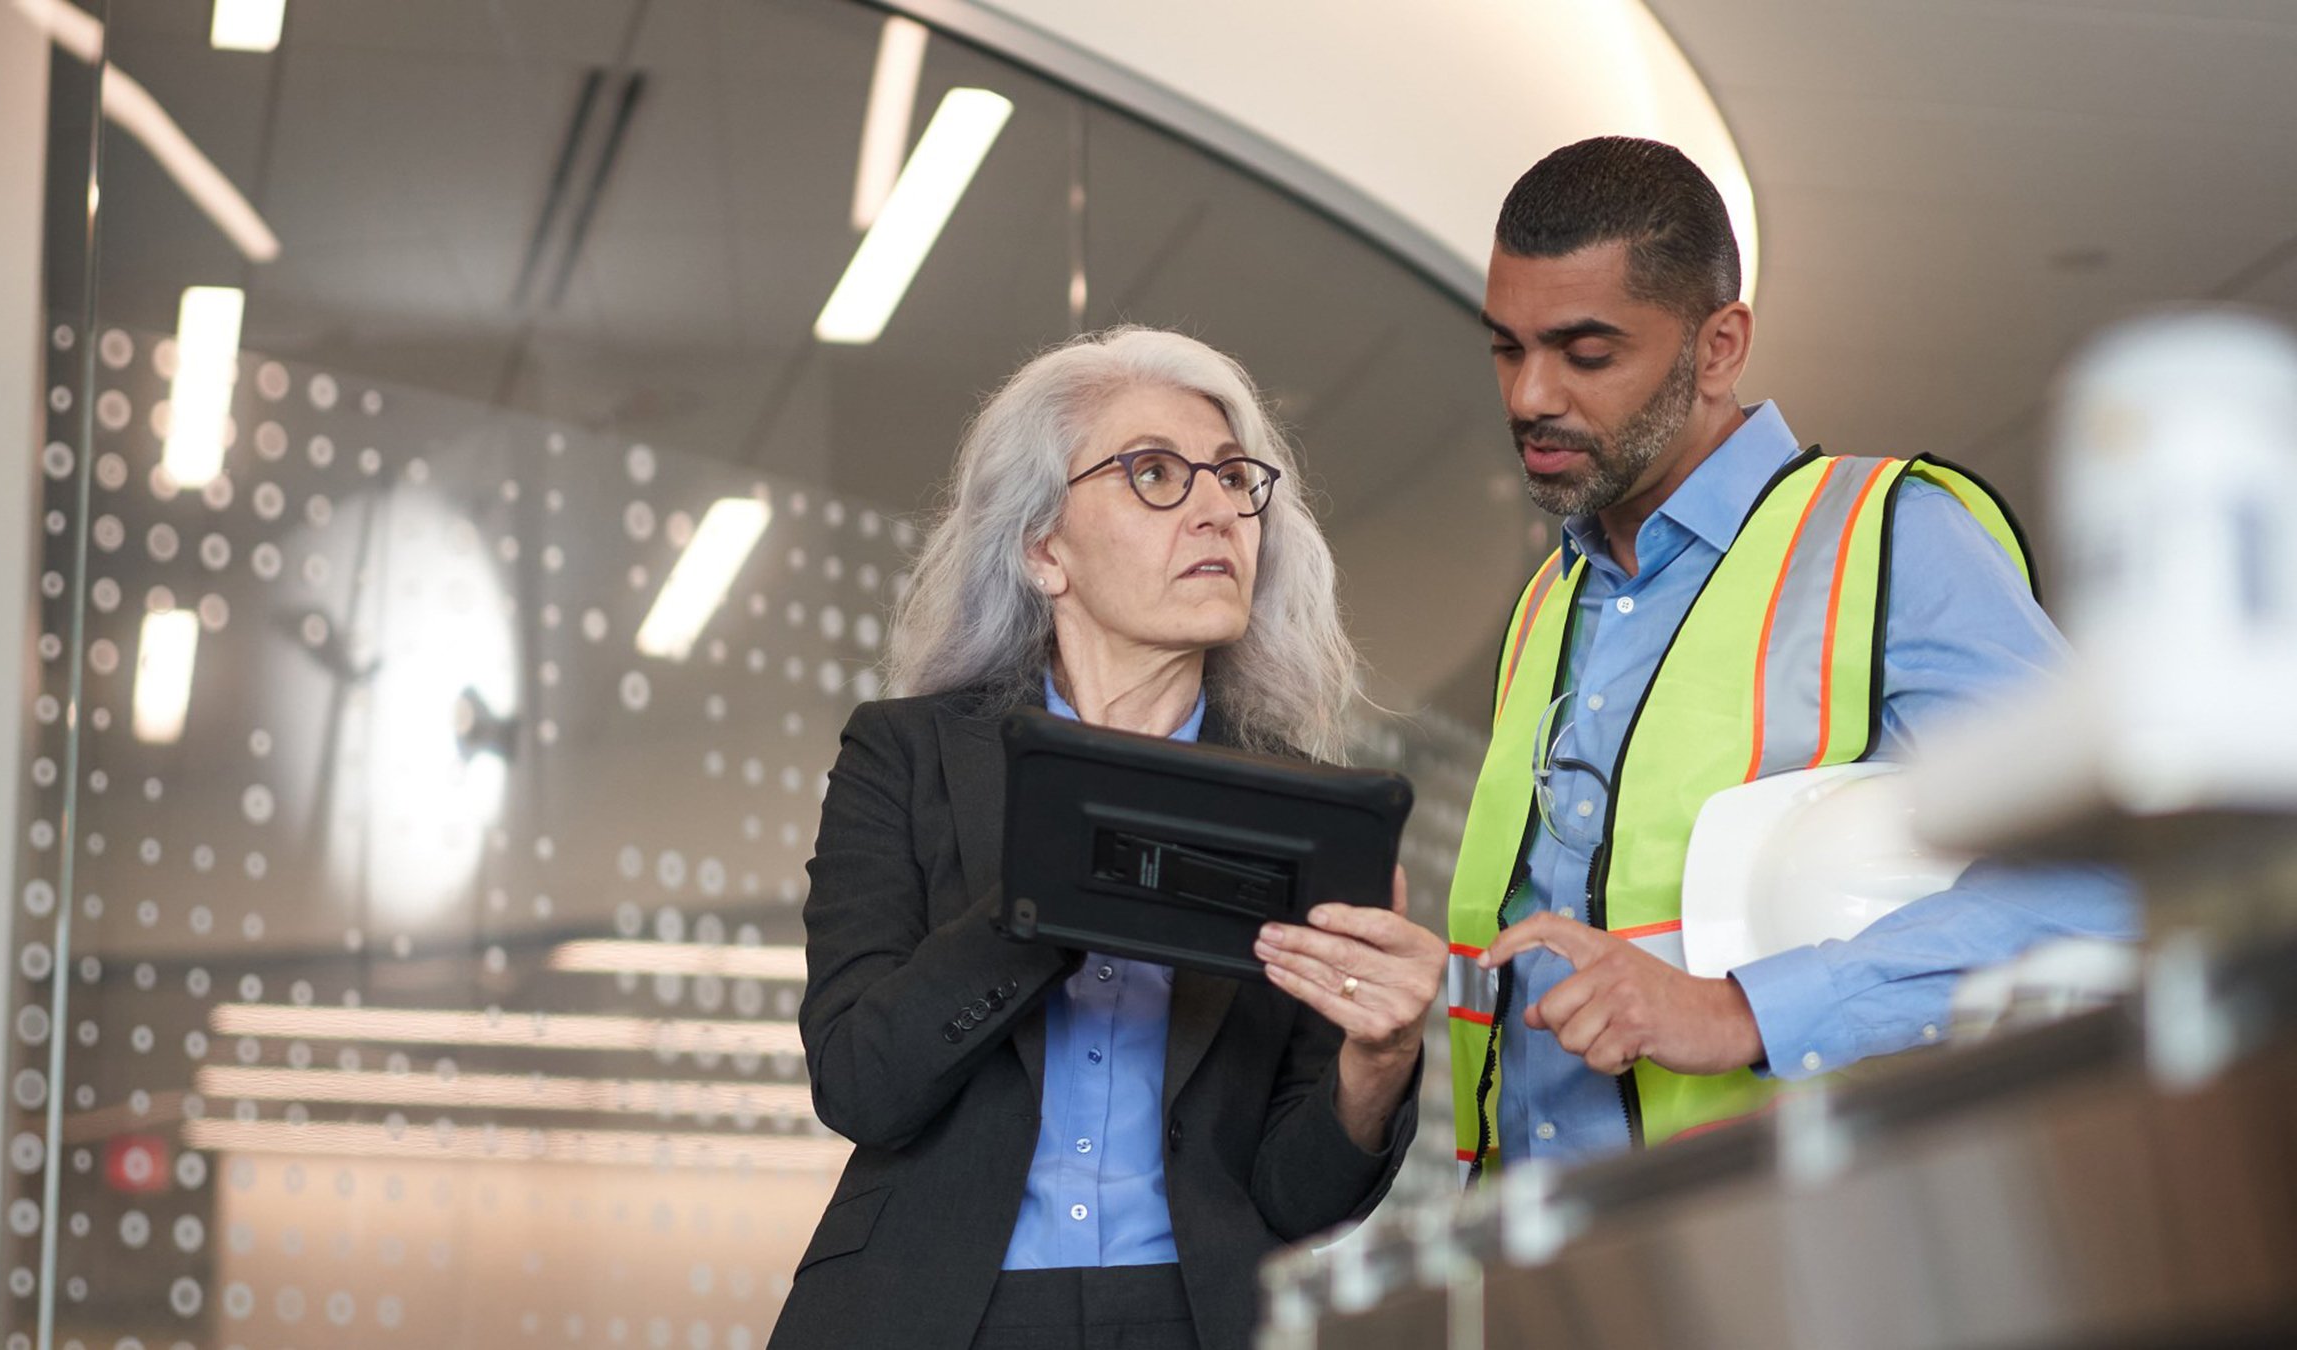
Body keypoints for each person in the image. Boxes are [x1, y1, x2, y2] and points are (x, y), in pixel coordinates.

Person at [1444, 137, 2138, 1176]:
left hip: (1797, 1260)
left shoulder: (1892, 539)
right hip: (1537, 1269)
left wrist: (1740, 1013)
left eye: (1586, 354)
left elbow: (2104, 877)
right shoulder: (1551, 600)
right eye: (1508, 347)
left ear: (1719, 348)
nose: (1530, 396)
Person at [769, 326, 1447, 1350]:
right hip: (938, 1311)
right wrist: (1056, 889)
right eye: (1156, 475)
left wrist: (1379, 1058)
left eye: (1233, 478)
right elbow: (863, 1083)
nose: (1218, 508)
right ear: (1045, 549)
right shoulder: (905, 757)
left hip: (1197, 1317)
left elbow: (1300, 1197)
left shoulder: (1303, 811)